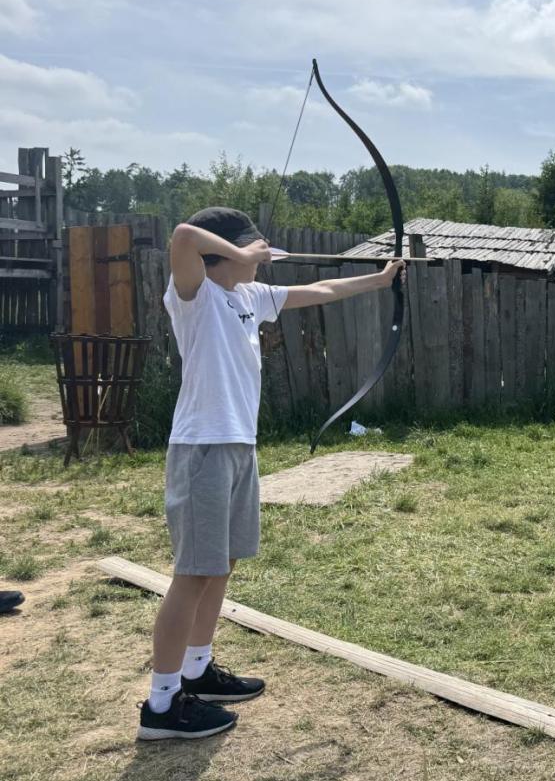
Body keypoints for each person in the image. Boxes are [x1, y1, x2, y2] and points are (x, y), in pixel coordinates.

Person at [138, 207, 403, 741]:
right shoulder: (194, 295)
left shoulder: (251, 297)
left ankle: (197, 669)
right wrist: (244, 250)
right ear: (223, 254)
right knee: (193, 573)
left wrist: (379, 281)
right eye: (252, 249)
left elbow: (322, 290)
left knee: (222, 565)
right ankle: (162, 704)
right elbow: (184, 235)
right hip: (202, 448)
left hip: (240, 445)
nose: (261, 259)